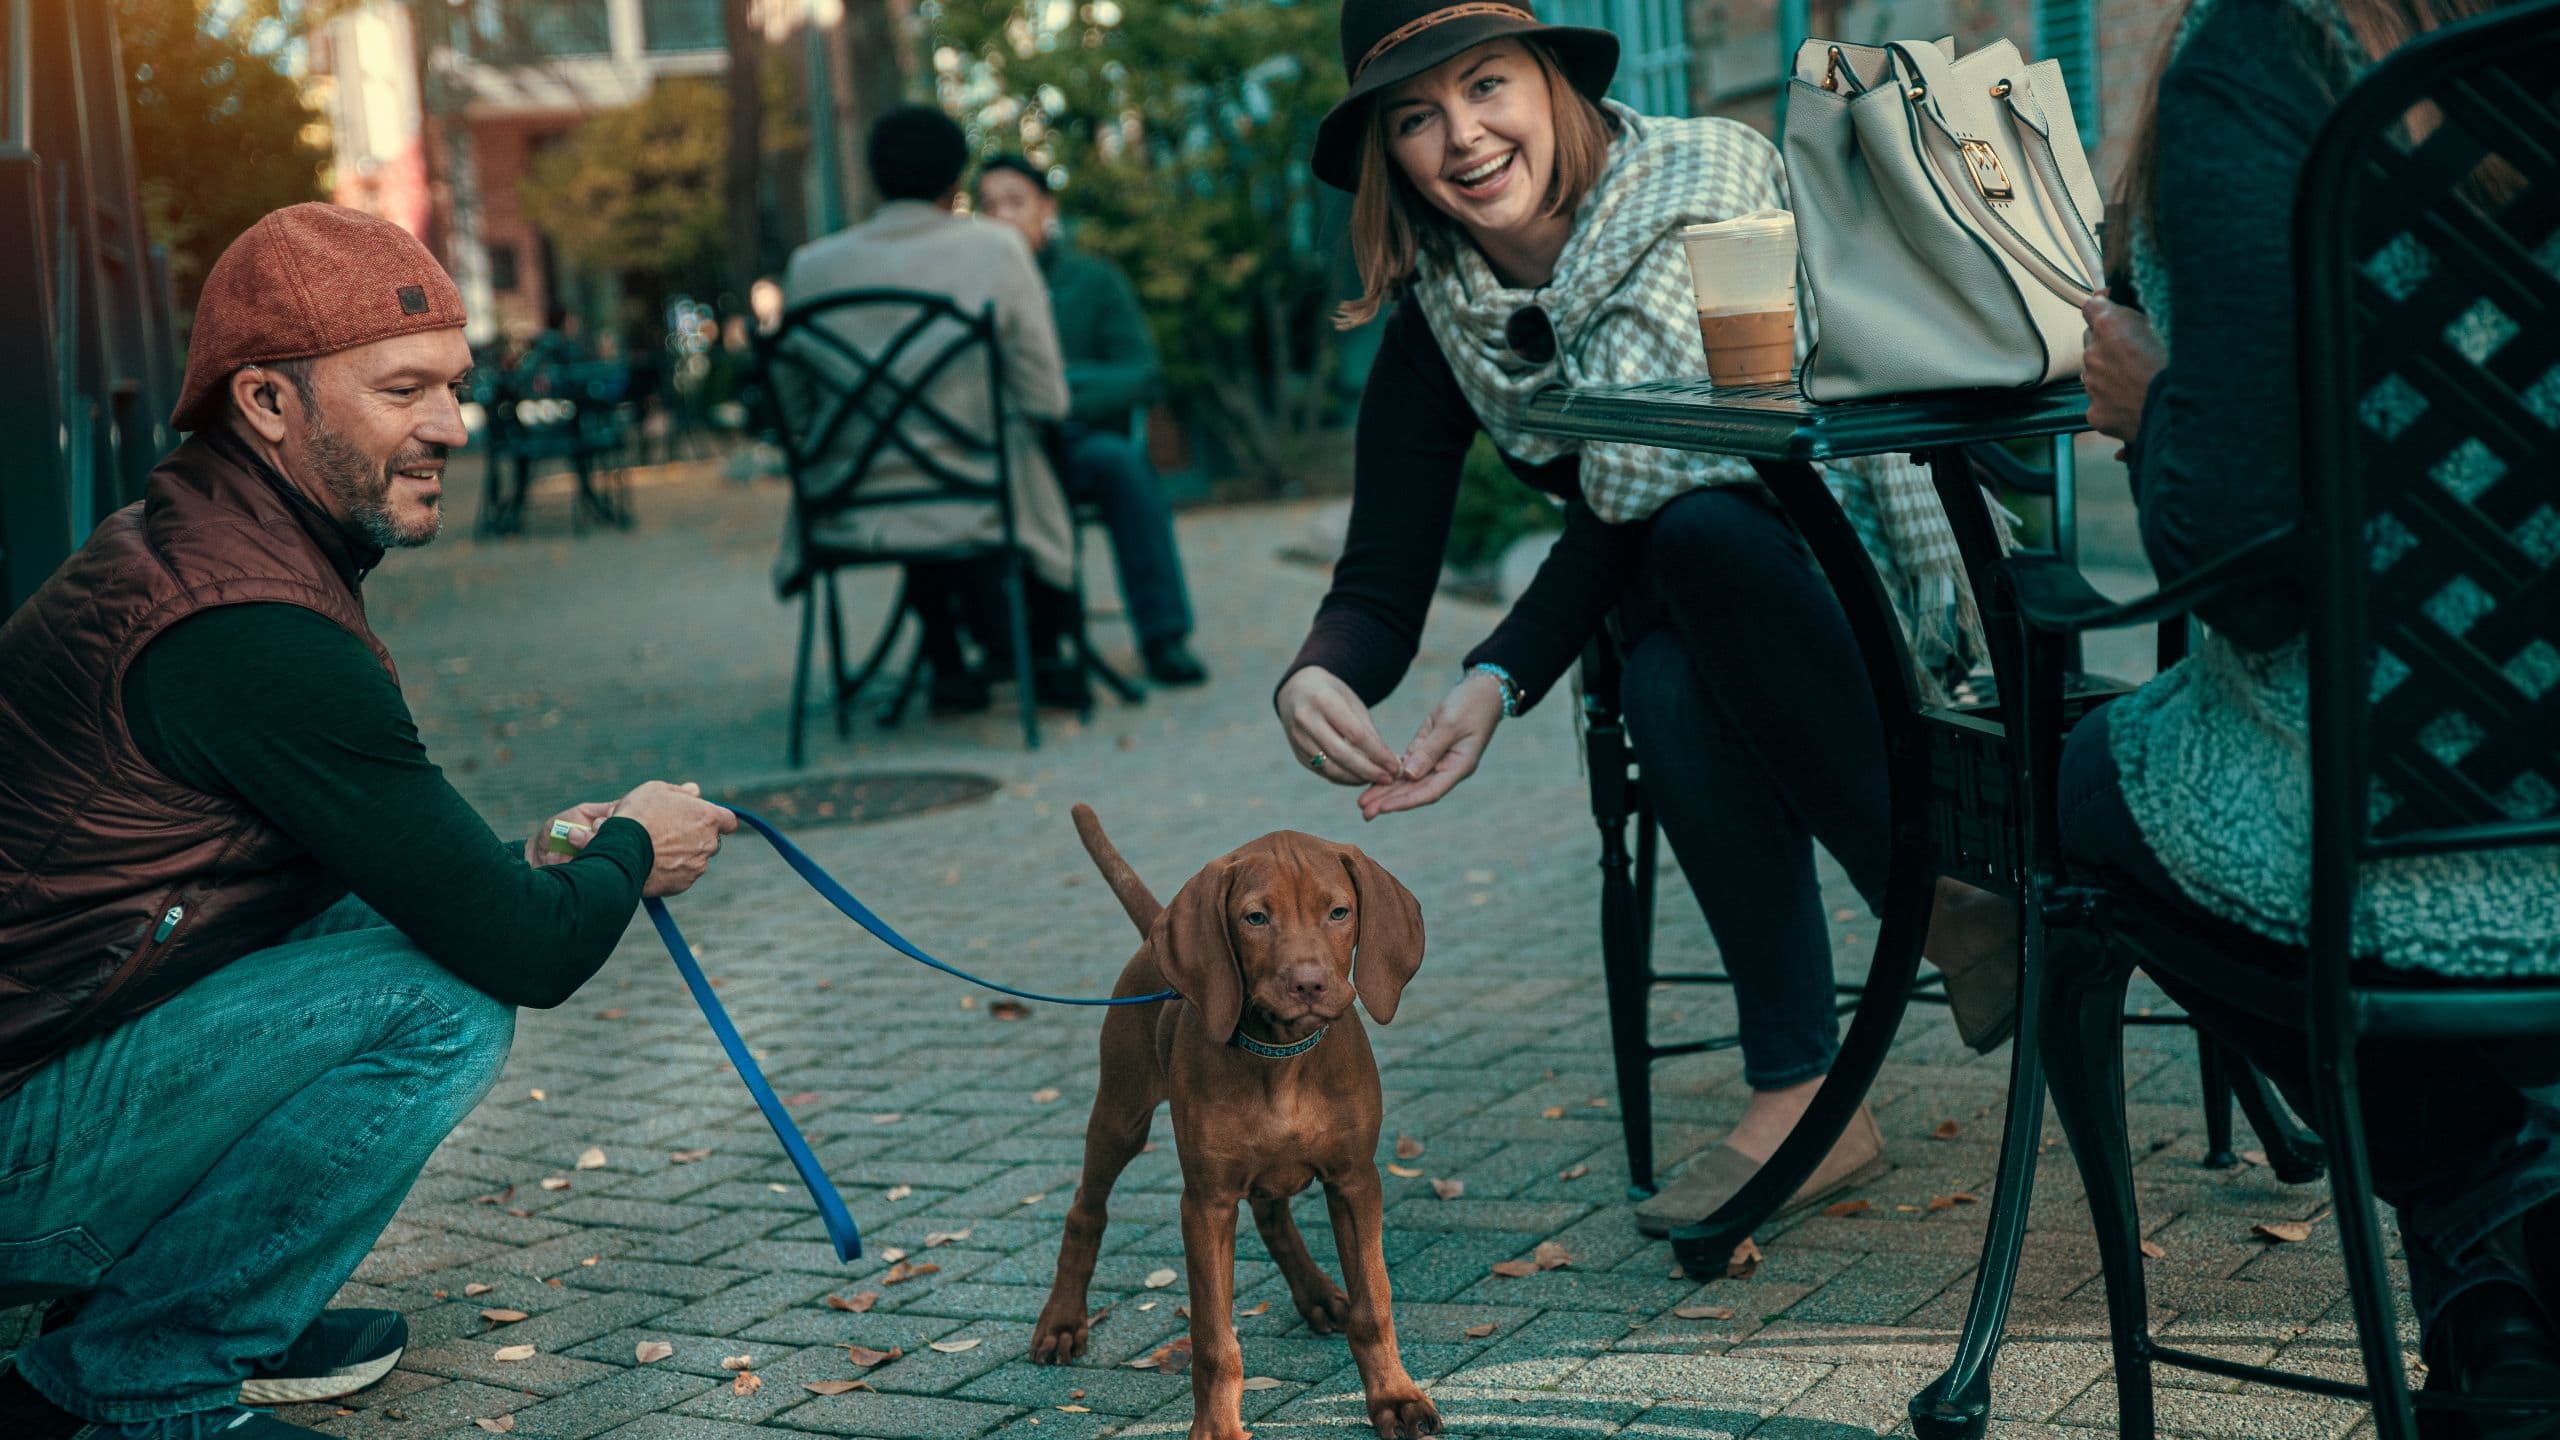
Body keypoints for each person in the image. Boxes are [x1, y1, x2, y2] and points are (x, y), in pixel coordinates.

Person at [1274, 0, 2022, 1235]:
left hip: (1846, 572)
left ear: (1549, 87)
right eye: (1415, 116)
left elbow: (1661, 478)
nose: (1462, 136)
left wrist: (1502, 675)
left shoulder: (1697, 180)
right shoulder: (1445, 319)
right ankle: (1882, 990)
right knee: (1668, 666)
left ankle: (1883, 967)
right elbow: (1380, 578)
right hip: (1694, 616)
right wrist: (1315, 675)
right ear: (1387, 158)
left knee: (1699, 528)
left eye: (1486, 87)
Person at [0, 203, 737, 1440]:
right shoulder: (246, 625)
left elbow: (368, 877)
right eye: (404, 390)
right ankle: (138, 1383)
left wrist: (547, 863)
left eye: (453, 385)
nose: (451, 425)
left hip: (49, 1050)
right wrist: (623, 852)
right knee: (439, 1002)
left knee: (374, 917)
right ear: (268, 405)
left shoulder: (209, 542)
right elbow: (525, 953)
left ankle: (155, 1309)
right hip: (20, 1130)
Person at [2070, 0, 2560, 1411]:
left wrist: (2155, 403)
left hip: (2379, 799)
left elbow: (2247, 568)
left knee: (2089, 782)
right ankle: (2501, 1277)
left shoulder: (2267, 56)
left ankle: (2486, 1209)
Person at [771, 106, 1088, 714]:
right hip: (975, 496)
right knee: (1019, 453)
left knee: (914, 453)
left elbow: (795, 412)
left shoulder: (812, 267)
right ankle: (1043, 651)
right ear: (955, 181)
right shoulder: (995, 250)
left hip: (849, 503)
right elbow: (1047, 398)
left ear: (872, 177)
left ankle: (947, 657)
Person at [972, 155, 1210, 687]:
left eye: (1014, 202)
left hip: (1076, 444)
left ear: (1045, 208)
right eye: (988, 207)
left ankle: (1163, 636)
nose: (1002, 217)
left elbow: (1141, 374)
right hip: (999, 449)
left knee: (1124, 464)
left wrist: (1055, 390)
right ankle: (1003, 644)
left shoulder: (1093, 280)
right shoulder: (972, 287)